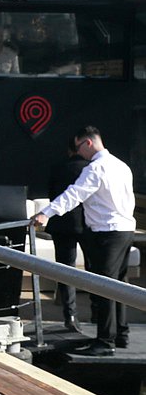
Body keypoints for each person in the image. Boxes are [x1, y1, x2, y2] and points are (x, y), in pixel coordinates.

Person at [32, 126, 136, 356]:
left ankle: (105, 342)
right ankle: (121, 335)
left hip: (107, 233)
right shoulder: (121, 166)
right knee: (120, 285)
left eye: (79, 147)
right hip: (125, 230)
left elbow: (74, 195)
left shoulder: (96, 168)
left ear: (88, 143)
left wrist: (46, 213)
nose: (78, 153)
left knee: (105, 287)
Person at [47, 144, 90, 333]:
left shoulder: (58, 166)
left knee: (65, 270)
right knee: (94, 269)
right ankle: (98, 311)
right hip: (87, 223)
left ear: (68, 151)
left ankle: (70, 315)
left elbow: (52, 195)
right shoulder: (90, 168)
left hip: (62, 223)